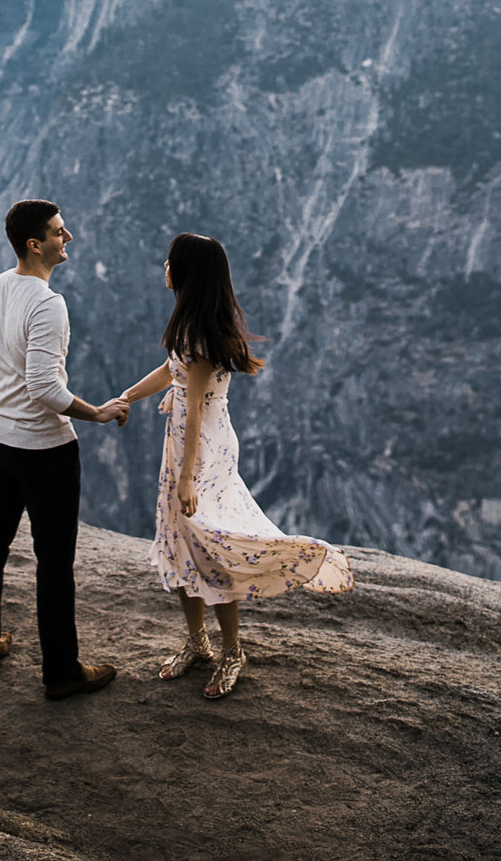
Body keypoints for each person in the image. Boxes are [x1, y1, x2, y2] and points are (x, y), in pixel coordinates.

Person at [114, 232, 353, 699]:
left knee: (208, 544)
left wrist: (186, 479)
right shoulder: (190, 325)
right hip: (189, 442)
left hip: (199, 449)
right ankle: (198, 643)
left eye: (170, 261)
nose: (163, 266)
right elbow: (170, 371)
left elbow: (197, 406)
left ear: (186, 273)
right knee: (180, 539)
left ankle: (231, 652)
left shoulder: (200, 335)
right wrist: (126, 397)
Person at [0, 199, 128, 701]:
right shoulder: (47, 304)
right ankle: (61, 671)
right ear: (36, 245)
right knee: (54, 560)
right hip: (45, 449)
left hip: (1, 442)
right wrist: (97, 412)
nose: (68, 237)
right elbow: (44, 389)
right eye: (59, 232)